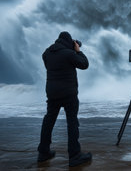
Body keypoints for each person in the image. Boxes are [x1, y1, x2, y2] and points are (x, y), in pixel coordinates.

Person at [37, 31, 92, 167]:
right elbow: (84, 64)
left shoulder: (47, 53)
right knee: (72, 123)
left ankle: (43, 152)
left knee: (49, 121)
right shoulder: (69, 54)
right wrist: (78, 51)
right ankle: (74, 156)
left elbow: (53, 64)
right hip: (69, 94)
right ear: (69, 42)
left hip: (52, 93)